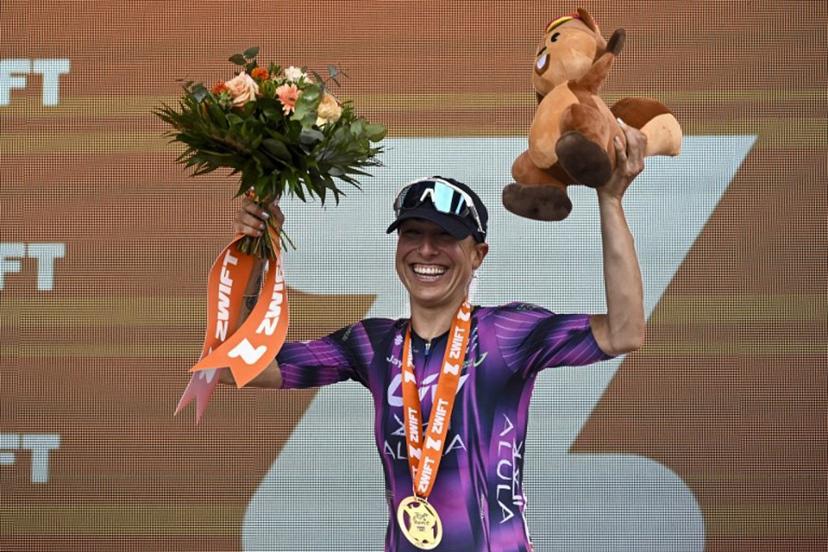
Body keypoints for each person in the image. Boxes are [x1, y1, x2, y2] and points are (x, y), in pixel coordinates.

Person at [221, 121, 647, 551]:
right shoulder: (371, 344)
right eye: (412, 234)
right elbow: (234, 366)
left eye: (445, 236)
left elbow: (624, 331)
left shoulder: (507, 332)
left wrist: (609, 200)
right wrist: (253, 249)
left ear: (478, 254)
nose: (426, 251)